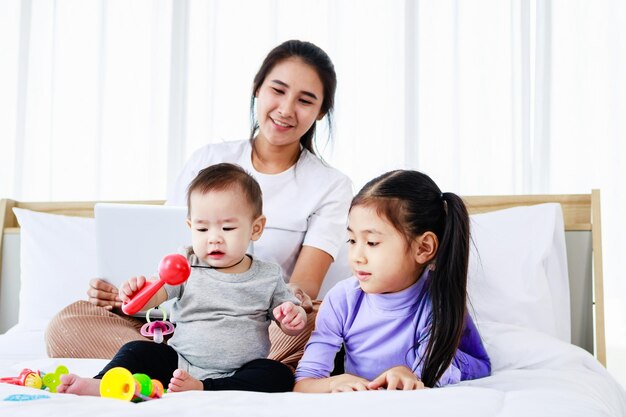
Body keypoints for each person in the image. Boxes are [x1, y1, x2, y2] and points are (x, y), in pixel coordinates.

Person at [45, 39, 353, 369]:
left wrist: (291, 309)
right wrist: (129, 297)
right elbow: (167, 256)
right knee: (68, 322)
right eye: (277, 90)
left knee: (314, 323)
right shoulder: (209, 159)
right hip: (180, 316)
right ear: (257, 89)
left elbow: (301, 288)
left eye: (305, 100)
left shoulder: (330, 185)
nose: (286, 108)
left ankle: (164, 362)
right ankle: (197, 364)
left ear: (321, 111)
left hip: (255, 326)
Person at [57, 163, 307, 396]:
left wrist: (292, 317)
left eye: (227, 228)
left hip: (242, 369)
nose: (214, 238)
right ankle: (104, 382)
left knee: (278, 374)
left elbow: (287, 322)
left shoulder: (267, 275)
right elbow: (155, 296)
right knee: (137, 350)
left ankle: (204, 388)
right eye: (202, 228)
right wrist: (136, 293)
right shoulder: (185, 263)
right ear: (190, 226)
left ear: (256, 228)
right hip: (180, 363)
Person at [294, 170, 491, 392]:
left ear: (423, 247)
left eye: (372, 242)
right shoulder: (342, 299)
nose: (356, 256)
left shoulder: (437, 302)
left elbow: (478, 367)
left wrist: (413, 375)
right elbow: (304, 384)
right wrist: (333, 382)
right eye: (351, 240)